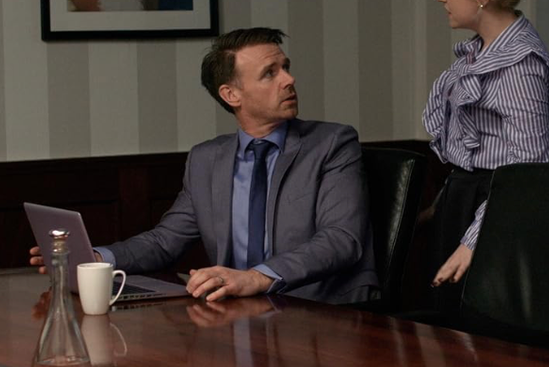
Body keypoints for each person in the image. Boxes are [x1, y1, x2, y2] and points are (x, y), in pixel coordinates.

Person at [31, 28, 378, 304]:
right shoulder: (206, 159)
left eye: (285, 67)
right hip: (239, 313)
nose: (289, 80)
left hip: (320, 310)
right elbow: (165, 241)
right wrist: (95, 258)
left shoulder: (332, 143)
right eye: (269, 74)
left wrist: (256, 277)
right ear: (231, 95)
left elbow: (340, 240)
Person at [423, 0, 549, 303]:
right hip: (469, 202)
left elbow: (528, 171)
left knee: (476, 324)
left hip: (496, 214)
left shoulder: (519, 65)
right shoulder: (481, 51)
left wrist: (472, 242)